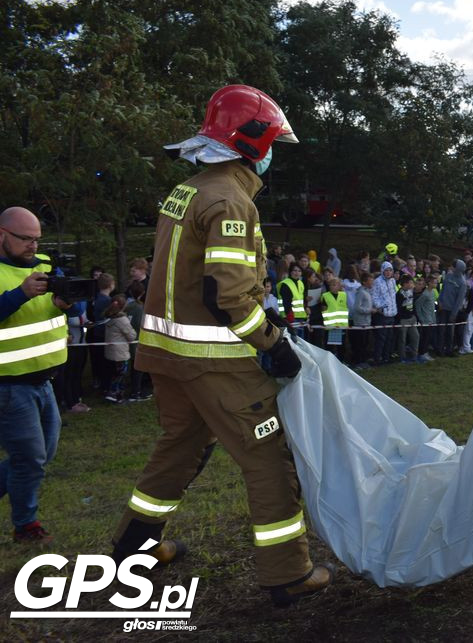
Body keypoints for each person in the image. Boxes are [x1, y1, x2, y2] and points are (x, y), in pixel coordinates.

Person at [110, 84, 334, 606]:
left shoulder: (189, 189)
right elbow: (226, 291)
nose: (275, 150)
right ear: (253, 142)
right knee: (269, 458)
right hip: (213, 361)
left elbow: (199, 278)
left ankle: (132, 549)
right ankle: (287, 572)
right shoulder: (231, 199)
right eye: (274, 140)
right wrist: (271, 340)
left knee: (178, 451)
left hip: (165, 355)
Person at [0, 206, 69, 543]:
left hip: (45, 381)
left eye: (36, 239)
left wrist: (63, 303)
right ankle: (26, 526)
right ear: (2, 235)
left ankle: (24, 518)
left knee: (41, 455)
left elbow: (48, 310)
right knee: (30, 458)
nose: (33, 246)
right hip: (9, 385)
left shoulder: (44, 265)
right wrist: (19, 294)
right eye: (25, 239)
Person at [103, 295, 136, 403]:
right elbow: (132, 336)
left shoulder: (109, 317)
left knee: (114, 373)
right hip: (120, 354)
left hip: (110, 352)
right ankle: (114, 394)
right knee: (120, 375)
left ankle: (115, 394)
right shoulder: (122, 320)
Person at [371, 261, 398, 364]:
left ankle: (386, 357)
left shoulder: (393, 281)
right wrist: (381, 307)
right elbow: (374, 297)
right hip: (382, 315)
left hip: (392, 314)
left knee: (389, 337)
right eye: (386, 270)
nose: (388, 272)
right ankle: (377, 359)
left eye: (390, 270)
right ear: (382, 270)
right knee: (380, 338)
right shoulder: (377, 282)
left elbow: (393, 295)